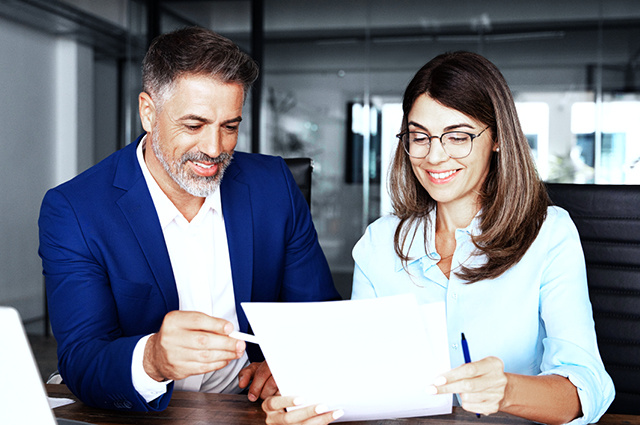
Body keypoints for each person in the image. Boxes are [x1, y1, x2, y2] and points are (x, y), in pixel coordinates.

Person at [261, 51, 614, 425]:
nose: (435, 156)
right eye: (419, 137)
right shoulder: (380, 245)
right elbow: (364, 385)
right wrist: (308, 404)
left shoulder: (549, 234)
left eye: (458, 136)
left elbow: (586, 389)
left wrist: (507, 390)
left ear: (497, 138)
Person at [38, 26, 340, 413]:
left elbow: (318, 318)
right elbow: (82, 358)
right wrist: (152, 359)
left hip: (248, 408)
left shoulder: (274, 186)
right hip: (142, 412)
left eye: (230, 126)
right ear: (149, 112)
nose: (214, 149)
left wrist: (291, 366)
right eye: (194, 125)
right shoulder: (75, 210)